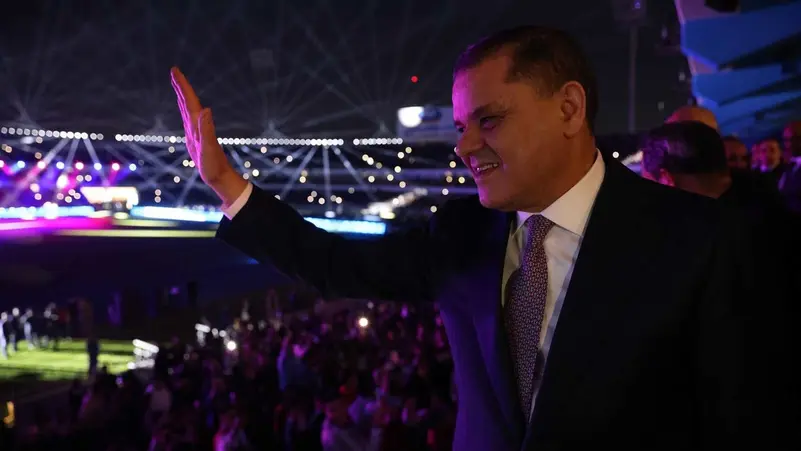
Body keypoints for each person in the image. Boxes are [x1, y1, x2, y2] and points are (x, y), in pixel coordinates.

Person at [171, 25, 796, 450]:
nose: (465, 146)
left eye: (489, 121)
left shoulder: (703, 241)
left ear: (569, 109)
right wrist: (227, 183)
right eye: (462, 126)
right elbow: (334, 263)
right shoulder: (459, 234)